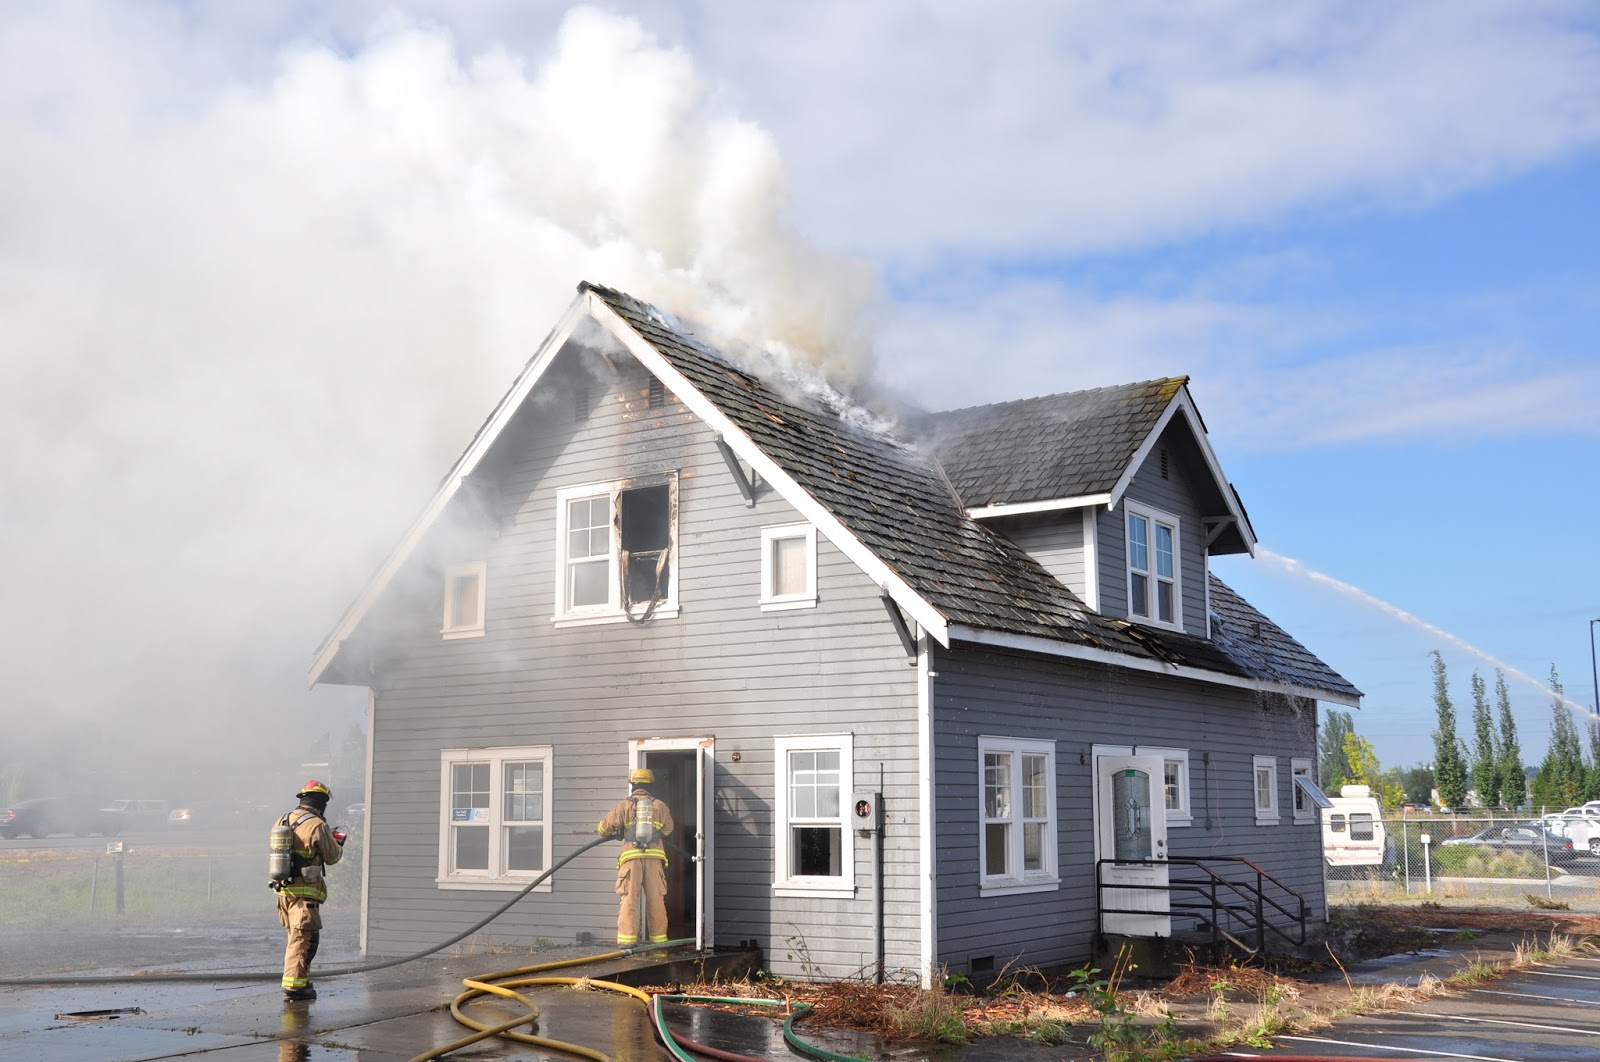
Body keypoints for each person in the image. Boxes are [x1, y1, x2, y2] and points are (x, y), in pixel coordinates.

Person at [272, 779, 345, 1002]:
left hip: (284, 892)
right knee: (302, 941)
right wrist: (339, 843)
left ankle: (301, 981)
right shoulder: (317, 825)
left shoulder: (282, 819)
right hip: (305, 895)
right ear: (321, 802)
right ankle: (294, 988)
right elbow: (332, 857)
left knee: (296, 938)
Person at [597, 768, 674, 947]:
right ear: (650, 786)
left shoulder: (623, 806)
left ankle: (627, 943)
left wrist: (619, 830)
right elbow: (668, 829)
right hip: (655, 857)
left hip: (631, 857)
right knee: (656, 899)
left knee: (629, 898)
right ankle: (659, 943)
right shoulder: (660, 805)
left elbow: (602, 829)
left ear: (633, 785)